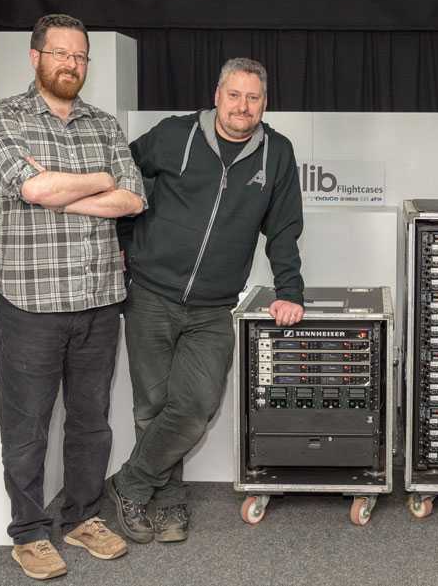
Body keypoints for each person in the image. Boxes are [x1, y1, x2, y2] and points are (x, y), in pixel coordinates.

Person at [107, 57, 305, 544]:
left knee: (195, 406)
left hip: (214, 306)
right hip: (151, 294)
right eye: (234, 95)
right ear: (217, 95)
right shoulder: (173, 134)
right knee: (152, 406)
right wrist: (127, 246)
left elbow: (282, 229)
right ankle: (168, 502)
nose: (243, 106)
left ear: (264, 103)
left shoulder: (276, 153)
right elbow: (124, 180)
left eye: (253, 98)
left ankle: (129, 484)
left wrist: (290, 291)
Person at [0, 14, 146, 580]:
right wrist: (98, 180)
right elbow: (30, 187)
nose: (71, 65)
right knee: (26, 429)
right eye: (60, 54)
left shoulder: (103, 124)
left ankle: (82, 517)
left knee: (91, 423)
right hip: (31, 306)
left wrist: (63, 189)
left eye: (80, 57)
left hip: (99, 302)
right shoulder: (3, 118)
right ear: (35, 57)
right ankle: (28, 531)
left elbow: (133, 200)